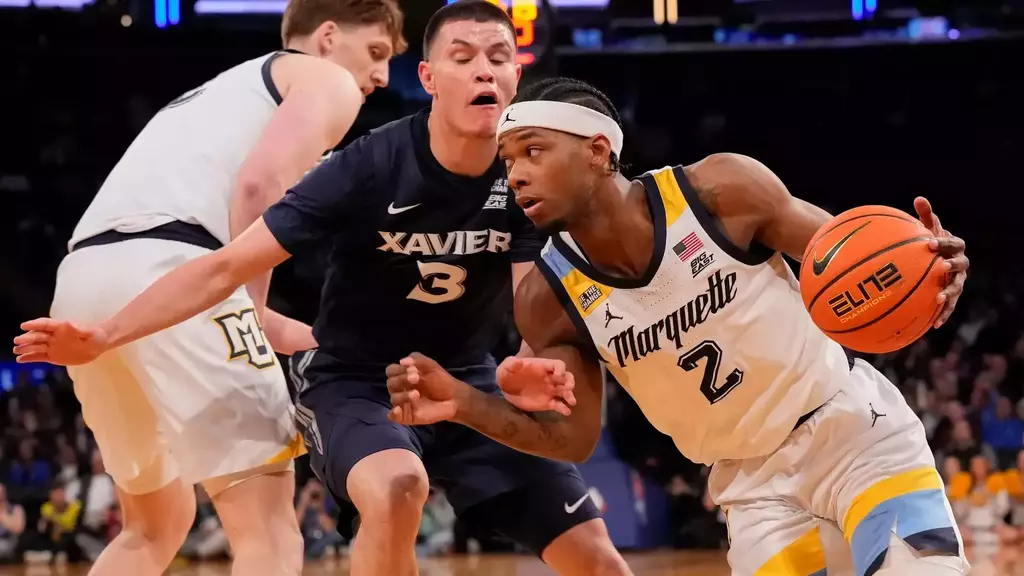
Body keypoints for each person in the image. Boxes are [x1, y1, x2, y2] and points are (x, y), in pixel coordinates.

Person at [12, 3, 629, 576]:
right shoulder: (363, 160)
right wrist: (113, 333)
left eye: (498, 56)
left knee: (596, 556)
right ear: (430, 77)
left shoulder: (524, 175)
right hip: (359, 383)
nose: (483, 71)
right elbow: (229, 260)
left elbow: (533, 303)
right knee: (381, 494)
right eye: (462, 57)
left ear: (517, 76)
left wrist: (528, 358)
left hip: (468, 380)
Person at [381, 77, 973, 576]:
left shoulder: (719, 191)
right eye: (508, 161)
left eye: (533, 151)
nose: (516, 175)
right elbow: (573, 440)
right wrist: (463, 402)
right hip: (750, 487)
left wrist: (929, 268)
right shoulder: (548, 297)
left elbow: (849, 257)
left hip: (849, 430)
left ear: (597, 149)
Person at [12, 1, 405, 574]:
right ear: (326, 37)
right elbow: (259, 187)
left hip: (86, 279)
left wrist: (293, 332)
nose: (380, 75)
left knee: (154, 525)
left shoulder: (220, 92)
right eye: (375, 52)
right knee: (270, 534)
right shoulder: (328, 81)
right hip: (173, 264)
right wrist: (252, 313)